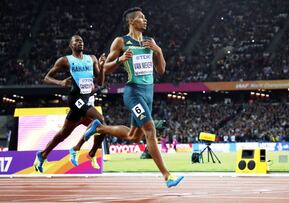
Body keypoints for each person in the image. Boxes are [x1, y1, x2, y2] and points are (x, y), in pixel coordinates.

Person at [83, 7, 184, 188]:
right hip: (133, 92)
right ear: (131, 21)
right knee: (150, 130)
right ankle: (167, 175)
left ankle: (100, 128)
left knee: (133, 137)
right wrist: (120, 59)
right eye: (141, 18)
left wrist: (158, 51)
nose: (145, 20)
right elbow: (105, 68)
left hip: (149, 93)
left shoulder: (149, 42)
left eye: (145, 17)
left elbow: (161, 70)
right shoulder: (121, 41)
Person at [33, 35, 107, 173]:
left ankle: (42, 155)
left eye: (82, 41)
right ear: (71, 45)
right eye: (76, 41)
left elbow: (100, 82)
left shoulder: (92, 59)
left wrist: (102, 67)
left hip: (86, 99)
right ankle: (79, 149)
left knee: (63, 134)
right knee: (100, 120)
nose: (80, 43)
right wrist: (60, 82)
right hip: (75, 99)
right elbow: (46, 78)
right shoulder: (65, 60)